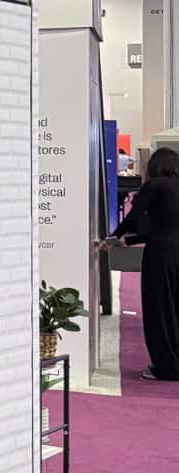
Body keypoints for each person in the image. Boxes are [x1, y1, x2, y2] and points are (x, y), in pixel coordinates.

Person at [103, 146, 179, 381]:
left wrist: (113, 238)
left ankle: (166, 366)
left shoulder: (154, 186)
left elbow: (134, 217)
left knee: (159, 307)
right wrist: (131, 240)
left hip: (161, 255)